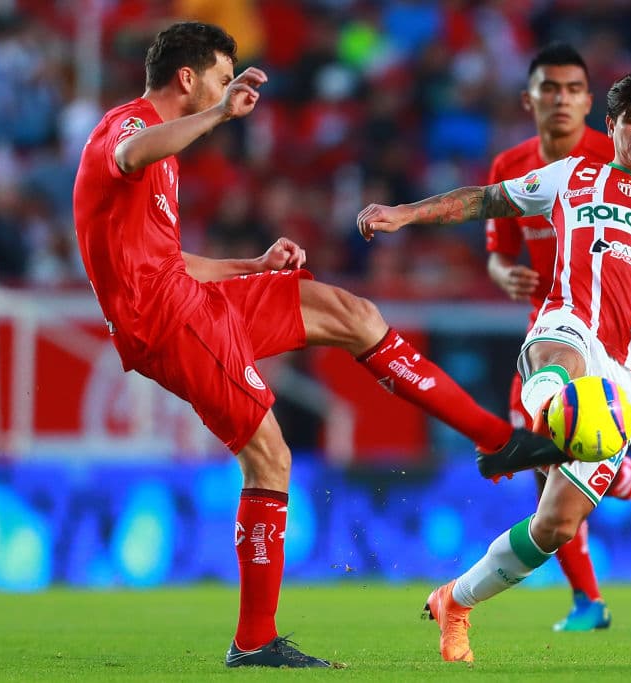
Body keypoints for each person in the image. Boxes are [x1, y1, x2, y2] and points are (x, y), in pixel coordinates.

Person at [72, 21, 563, 669]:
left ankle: (494, 439)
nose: (230, 88)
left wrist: (251, 265)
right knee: (269, 457)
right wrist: (220, 113)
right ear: (188, 80)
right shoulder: (129, 130)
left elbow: (160, 260)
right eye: (222, 77)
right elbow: (130, 157)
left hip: (189, 299)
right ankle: (253, 641)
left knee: (350, 311)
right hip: (169, 325)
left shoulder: (160, 152)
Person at [358, 70, 631, 662]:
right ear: (609, 127)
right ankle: (533, 433)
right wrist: (405, 213)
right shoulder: (575, 176)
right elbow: (487, 200)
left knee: (555, 527)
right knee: (561, 358)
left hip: (625, 382)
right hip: (566, 326)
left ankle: (454, 601)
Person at [486, 42, 631, 632]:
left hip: (613, 334)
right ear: (529, 98)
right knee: (551, 459)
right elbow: (498, 254)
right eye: (549, 88)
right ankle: (596, 586)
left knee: (561, 453)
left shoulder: (618, 151)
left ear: (590, 103)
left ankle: (595, 589)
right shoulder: (510, 167)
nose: (561, 98)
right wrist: (506, 274)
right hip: (551, 329)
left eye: (574, 88)